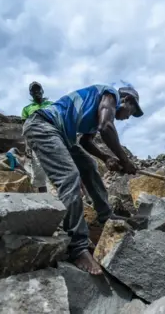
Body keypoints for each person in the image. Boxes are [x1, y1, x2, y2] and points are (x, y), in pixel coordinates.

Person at [22, 84, 143, 275]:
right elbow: (107, 126)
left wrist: (106, 158)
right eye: (132, 111)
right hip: (43, 125)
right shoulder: (110, 95)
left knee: (89, 166)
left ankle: (105, 214)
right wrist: (125, 161)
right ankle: (77, 247)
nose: (128, 117)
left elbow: (85, 142)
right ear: (126, 100)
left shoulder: (95, 116)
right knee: (69, 176)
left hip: (62, 135)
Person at [21, 81, 52, 193]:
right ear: (30, 93)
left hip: (52, 138)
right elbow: (25, 128)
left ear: (42, 91)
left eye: (38, 89)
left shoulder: (51, 104)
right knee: (39, 171)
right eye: (33, 91)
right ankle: (45, 198)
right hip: (36, 142)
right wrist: (27, 146)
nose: (36, 92)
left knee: (60, 167)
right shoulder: (27, 109)